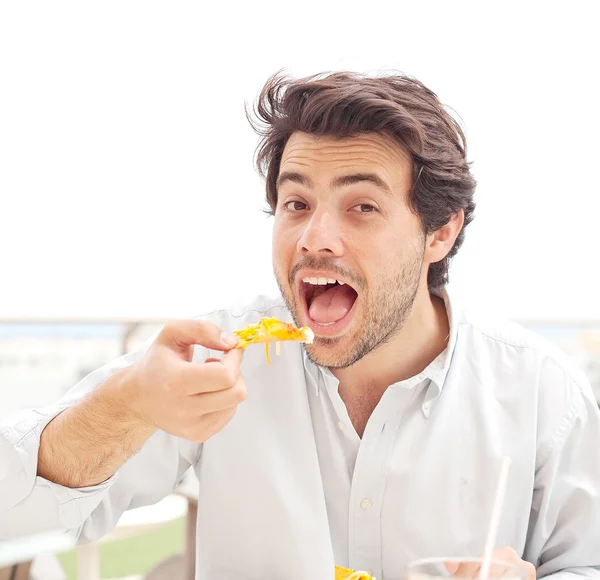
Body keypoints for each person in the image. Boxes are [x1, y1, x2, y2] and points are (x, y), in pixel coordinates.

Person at [1, 71, 599, 580]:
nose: (315, 239)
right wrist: (127, 404)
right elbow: (11, 511)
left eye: (362, 206)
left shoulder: (543, 393)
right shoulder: (215, 357)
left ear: (439, 233)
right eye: (297, 204)